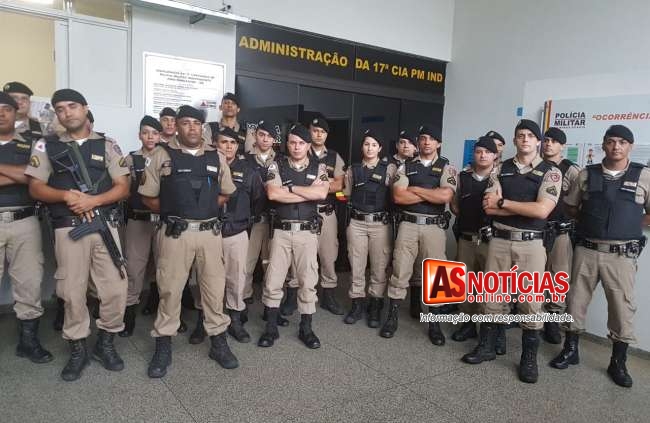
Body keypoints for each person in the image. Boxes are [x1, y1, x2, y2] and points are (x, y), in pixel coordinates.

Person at [26, 88, 130, 381]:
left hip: (104, 225)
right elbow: (35, 187)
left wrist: (92, 201)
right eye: (60, 109)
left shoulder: (107, 144)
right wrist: (66, 196)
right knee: (72, 293)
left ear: (85, 108)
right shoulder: (46, 146)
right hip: (69, 229)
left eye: (72, 106)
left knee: (115, 289)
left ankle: (105, 344)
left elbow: (123, 187)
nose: (66, 112)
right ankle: (78, 348)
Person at [139, 105, 238, 378]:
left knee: (214, 290)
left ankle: (218, 342)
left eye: (196, 123)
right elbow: (148, 197)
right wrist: (176, 211)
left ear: (202, 127)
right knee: (169, 290)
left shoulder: (216, 156)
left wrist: (203, 209)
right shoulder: (161, 155)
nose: (192, 128)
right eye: (185, 122)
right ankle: (163, 345)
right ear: (176, 126)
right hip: (176, 234)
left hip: (209, 234)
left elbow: (226, 192)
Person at [462, 119, 561, 385]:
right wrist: (521, 207)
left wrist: (504, 202)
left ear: (538, 141)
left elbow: (542, 210)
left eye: (530, 135)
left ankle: (528, 359)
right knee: (492, 296)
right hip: (500, 240)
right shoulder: (500, 168)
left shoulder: (550, 172)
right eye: (521, 135)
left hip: (531, 244)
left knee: (530, 302)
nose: (525, 139)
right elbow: (489, 207)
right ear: (515, 140)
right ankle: (486, 347)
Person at [551, 125, 649, 388]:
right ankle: (570, 350)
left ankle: (618, 361)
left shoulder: (643, 175)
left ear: (630, 146)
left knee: (621, 308)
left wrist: (630, 224)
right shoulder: (587, 174)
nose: (616, 146)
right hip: (586, 249)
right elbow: (571, 207)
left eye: (622, 142)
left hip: (621, 255)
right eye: (611, 141)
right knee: (575, 301)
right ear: (603, 144)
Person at [380, 124, 457, 344]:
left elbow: (445, 196)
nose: (426, 142)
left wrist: (414, 189)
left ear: (438, 143)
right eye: (423, 138)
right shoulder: (406, 166)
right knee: (400, 269)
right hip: (408, 224)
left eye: (431, 139)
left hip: (434, 227)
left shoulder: (446, 167)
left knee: (438, 275)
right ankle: (392, 317)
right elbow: (399, 197)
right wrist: (431, 193)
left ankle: (434, 323)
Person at [187, 127, 265, 345]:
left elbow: (258, 201)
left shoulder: (249, 171)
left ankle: (235, 320)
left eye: (232, 143)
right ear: (215, 144)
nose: (228, 146)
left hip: (235, 233)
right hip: (207, 232)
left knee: (236, 278)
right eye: (224, 142)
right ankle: (203, 320)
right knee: (203, 278)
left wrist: (242, 219)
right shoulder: (204, 166)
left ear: (237, 146)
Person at [258, 123, 329, 349]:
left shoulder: (319, 167)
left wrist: (289, 188)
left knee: (308, 281)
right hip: (281, 231)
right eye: (292, 142)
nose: (297, 147)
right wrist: (306, 192)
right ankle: (271, 328)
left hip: (307, 233)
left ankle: (306, 328)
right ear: (287, 144)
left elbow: (321, 193)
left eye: (301, 143)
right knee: (273, 280)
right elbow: (273, 193)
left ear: (308, 145)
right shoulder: (276, 165)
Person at [0, 92, 52, 364]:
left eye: (6, 109)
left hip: (25, 221)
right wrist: (18, 173)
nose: (1, 114)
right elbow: (24, 174)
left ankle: (28, 341)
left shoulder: (33, 141)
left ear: (15, 112)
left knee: (29, 281)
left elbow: (35, 176)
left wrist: (23, 173)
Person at [343, 129, 396, 328]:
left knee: (379, 267)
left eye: (374, 145)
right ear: (362, 147)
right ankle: (357, 303)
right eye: (366, 144)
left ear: (380, 148)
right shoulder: (353, 169)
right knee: (356, 266)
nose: (370, 148)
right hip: (357, 223)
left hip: (380, 224)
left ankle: (375, 305)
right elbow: (345, 195)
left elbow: (397, 195)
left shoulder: (389, 169)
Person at [450, 136, 500, 343]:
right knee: (466, 283)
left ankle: (491, 331)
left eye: (487, 152)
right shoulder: (463, 177)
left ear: (495, 156)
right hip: (467, 238)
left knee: (490, 285)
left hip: (491, 241)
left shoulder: (500, 178)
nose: (483, 155)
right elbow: (454, 204)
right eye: (479, 151)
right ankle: (468, 324)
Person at [119, 115, 162, 337]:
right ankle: (129, 317)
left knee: (165, 269)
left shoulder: (168, 159)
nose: (150, 137)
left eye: (154, 133)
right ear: (139, 135)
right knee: (134, 270)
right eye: (146, 133)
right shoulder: (130, 159)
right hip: (138, 220)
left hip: (162, 221)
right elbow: (123, 190)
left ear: (160, 136)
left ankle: (166, 314)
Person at [540, 127, 580, 344]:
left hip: (559, 232)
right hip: (535, 230)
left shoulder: (571, 170)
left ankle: (553, 321)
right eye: (546, 140)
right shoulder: (536, 165)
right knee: (533, 275)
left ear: (562, 146)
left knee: (558, 277)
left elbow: (579, 202)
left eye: (554, 141)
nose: (549, 144)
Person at [308, 117, 346, 315]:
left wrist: (313, 185)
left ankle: (328, 296)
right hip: (304, 212)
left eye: (322, 131)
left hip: (326, 213)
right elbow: (295, 180)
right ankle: (296, 295)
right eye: (315, 130)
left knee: (328, 255)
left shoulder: (333, 157)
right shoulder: (300, 151)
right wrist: (326, 183)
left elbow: (339, 185)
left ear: (326, 135)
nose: (318, 134)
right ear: (310, 131)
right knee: (302, 256)